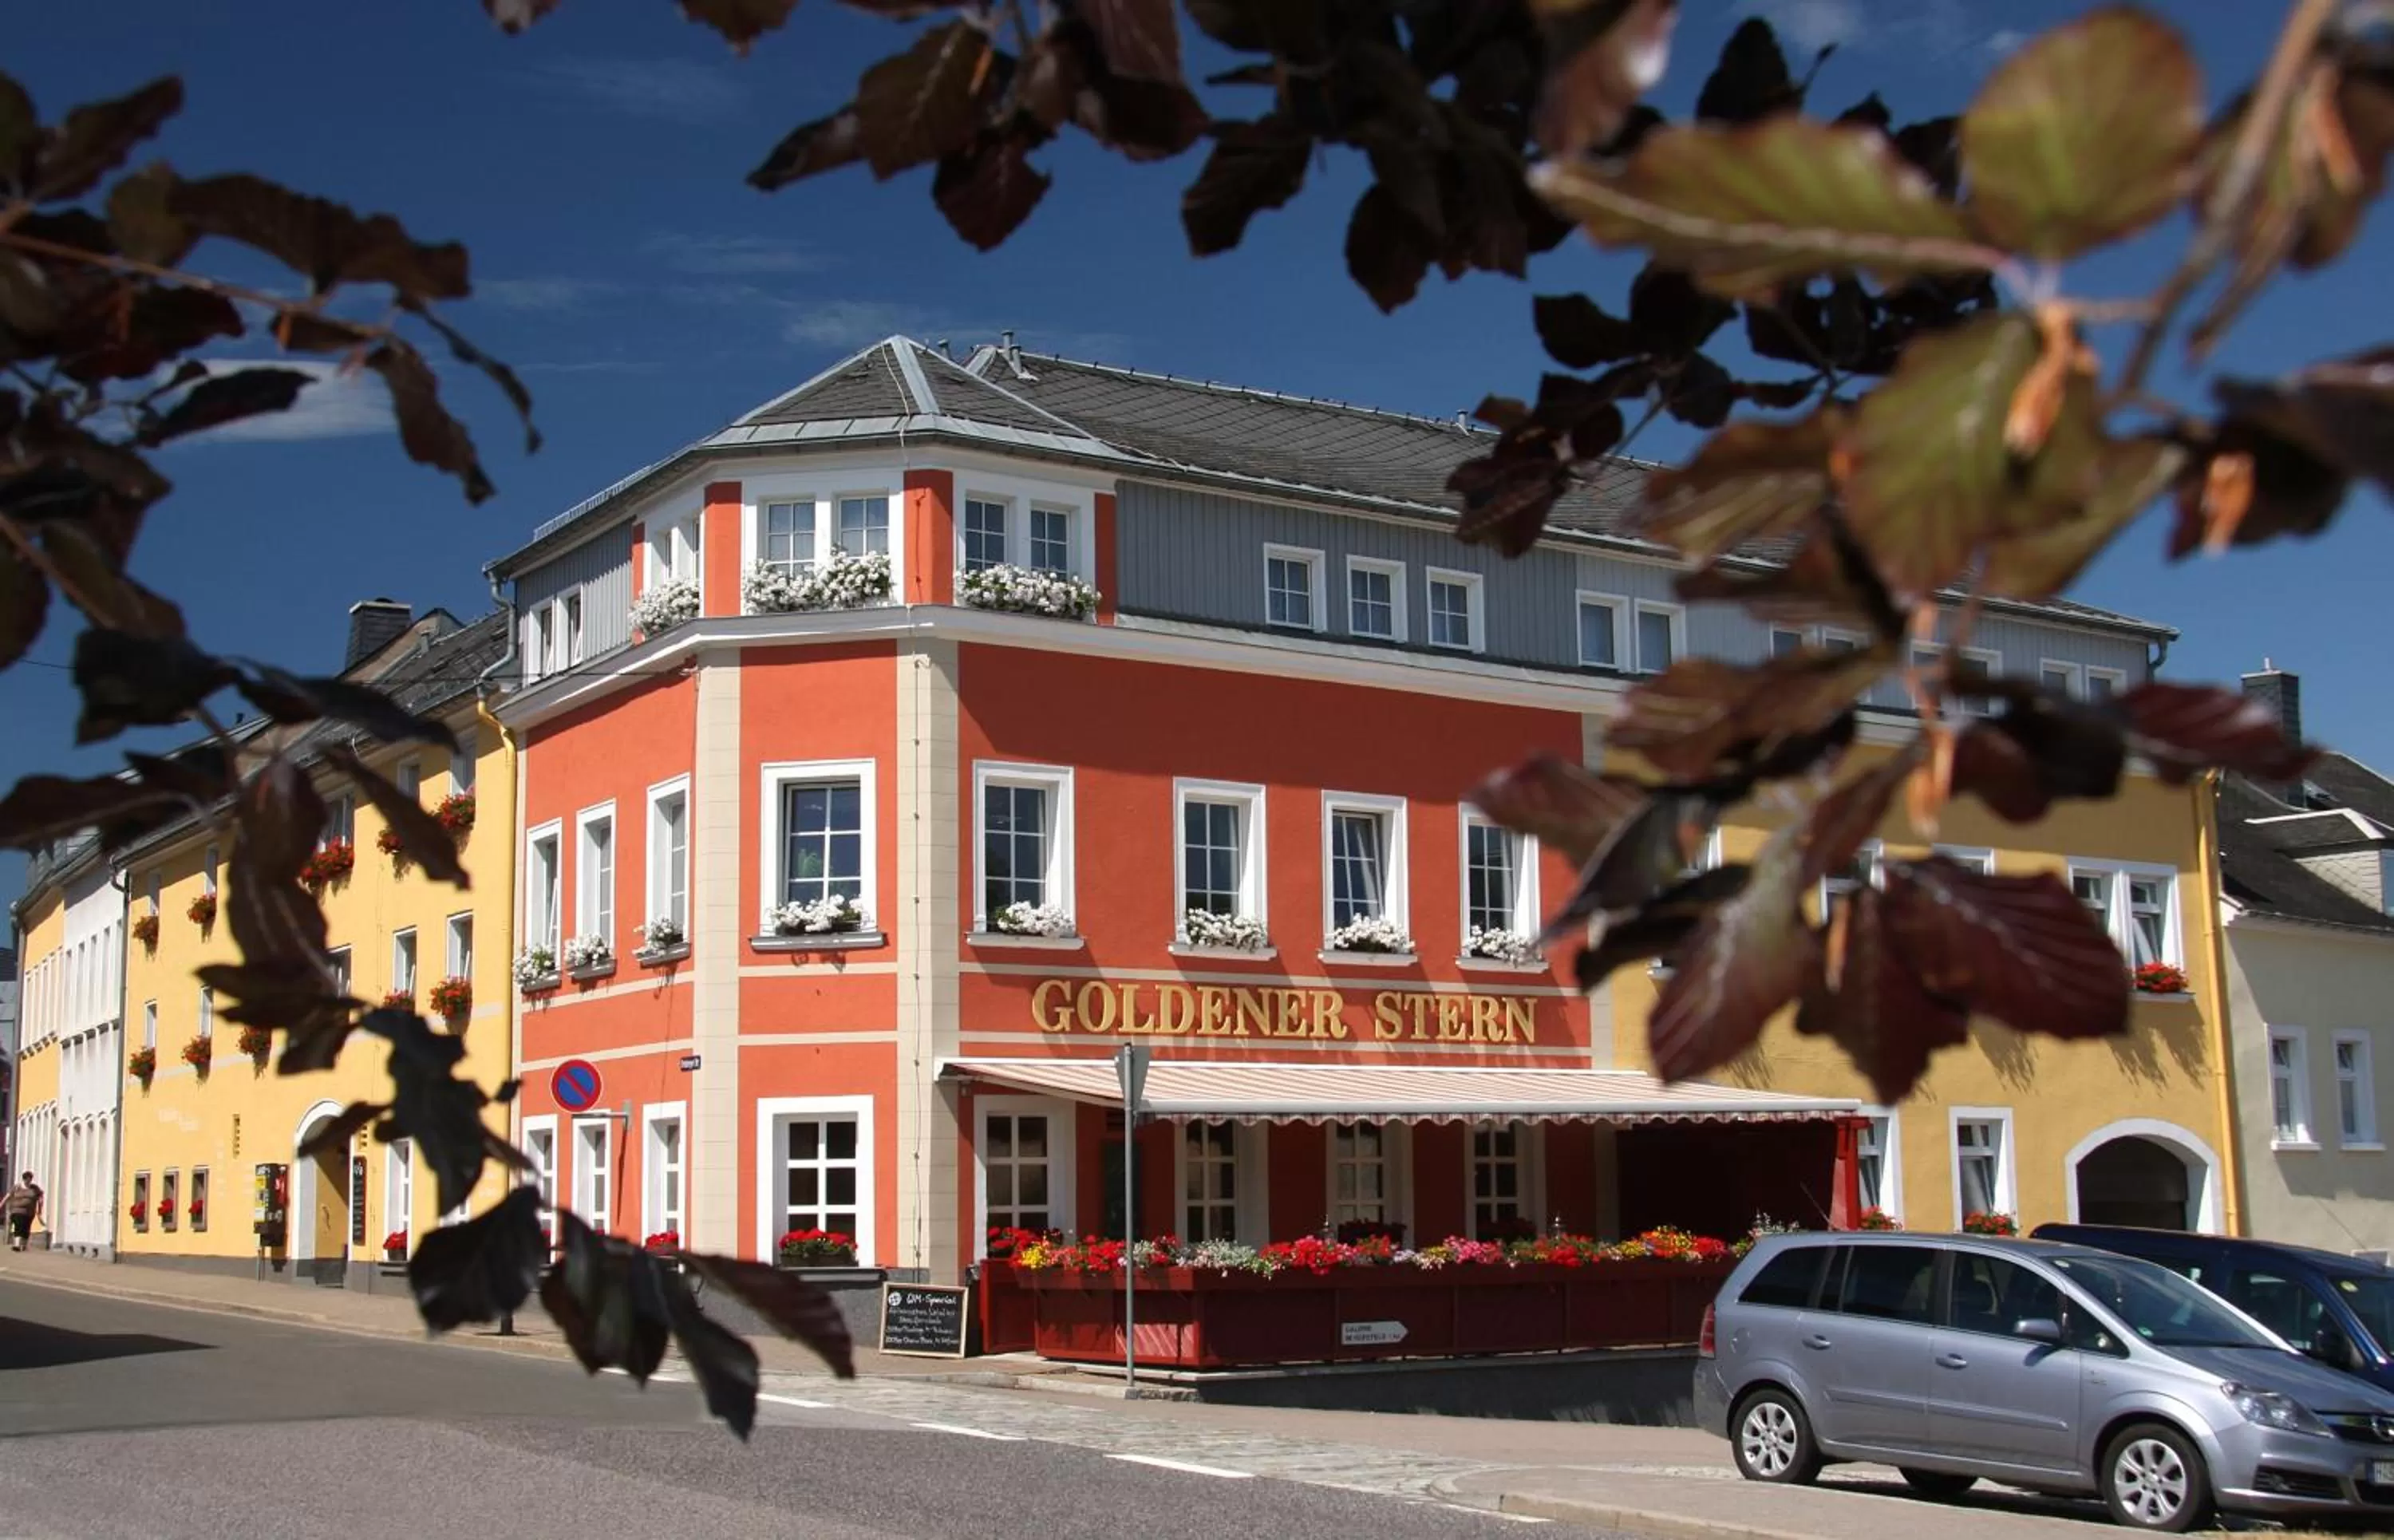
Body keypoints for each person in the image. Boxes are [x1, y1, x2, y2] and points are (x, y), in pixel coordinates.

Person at [5, 1171, 42, 1251]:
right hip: (16, 1210)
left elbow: (40, 1198)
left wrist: (40, 1210)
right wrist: (1, 1204)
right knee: (19, 1225)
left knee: (26, 1228)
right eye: (27, 1180)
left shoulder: (35, 1188)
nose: (28, 1182)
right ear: (24, 1179)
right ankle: (17, 1245)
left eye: (30, 1180)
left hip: (29, 1213)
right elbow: (8, 1196)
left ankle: (23, 1246)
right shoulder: (17, 1187)